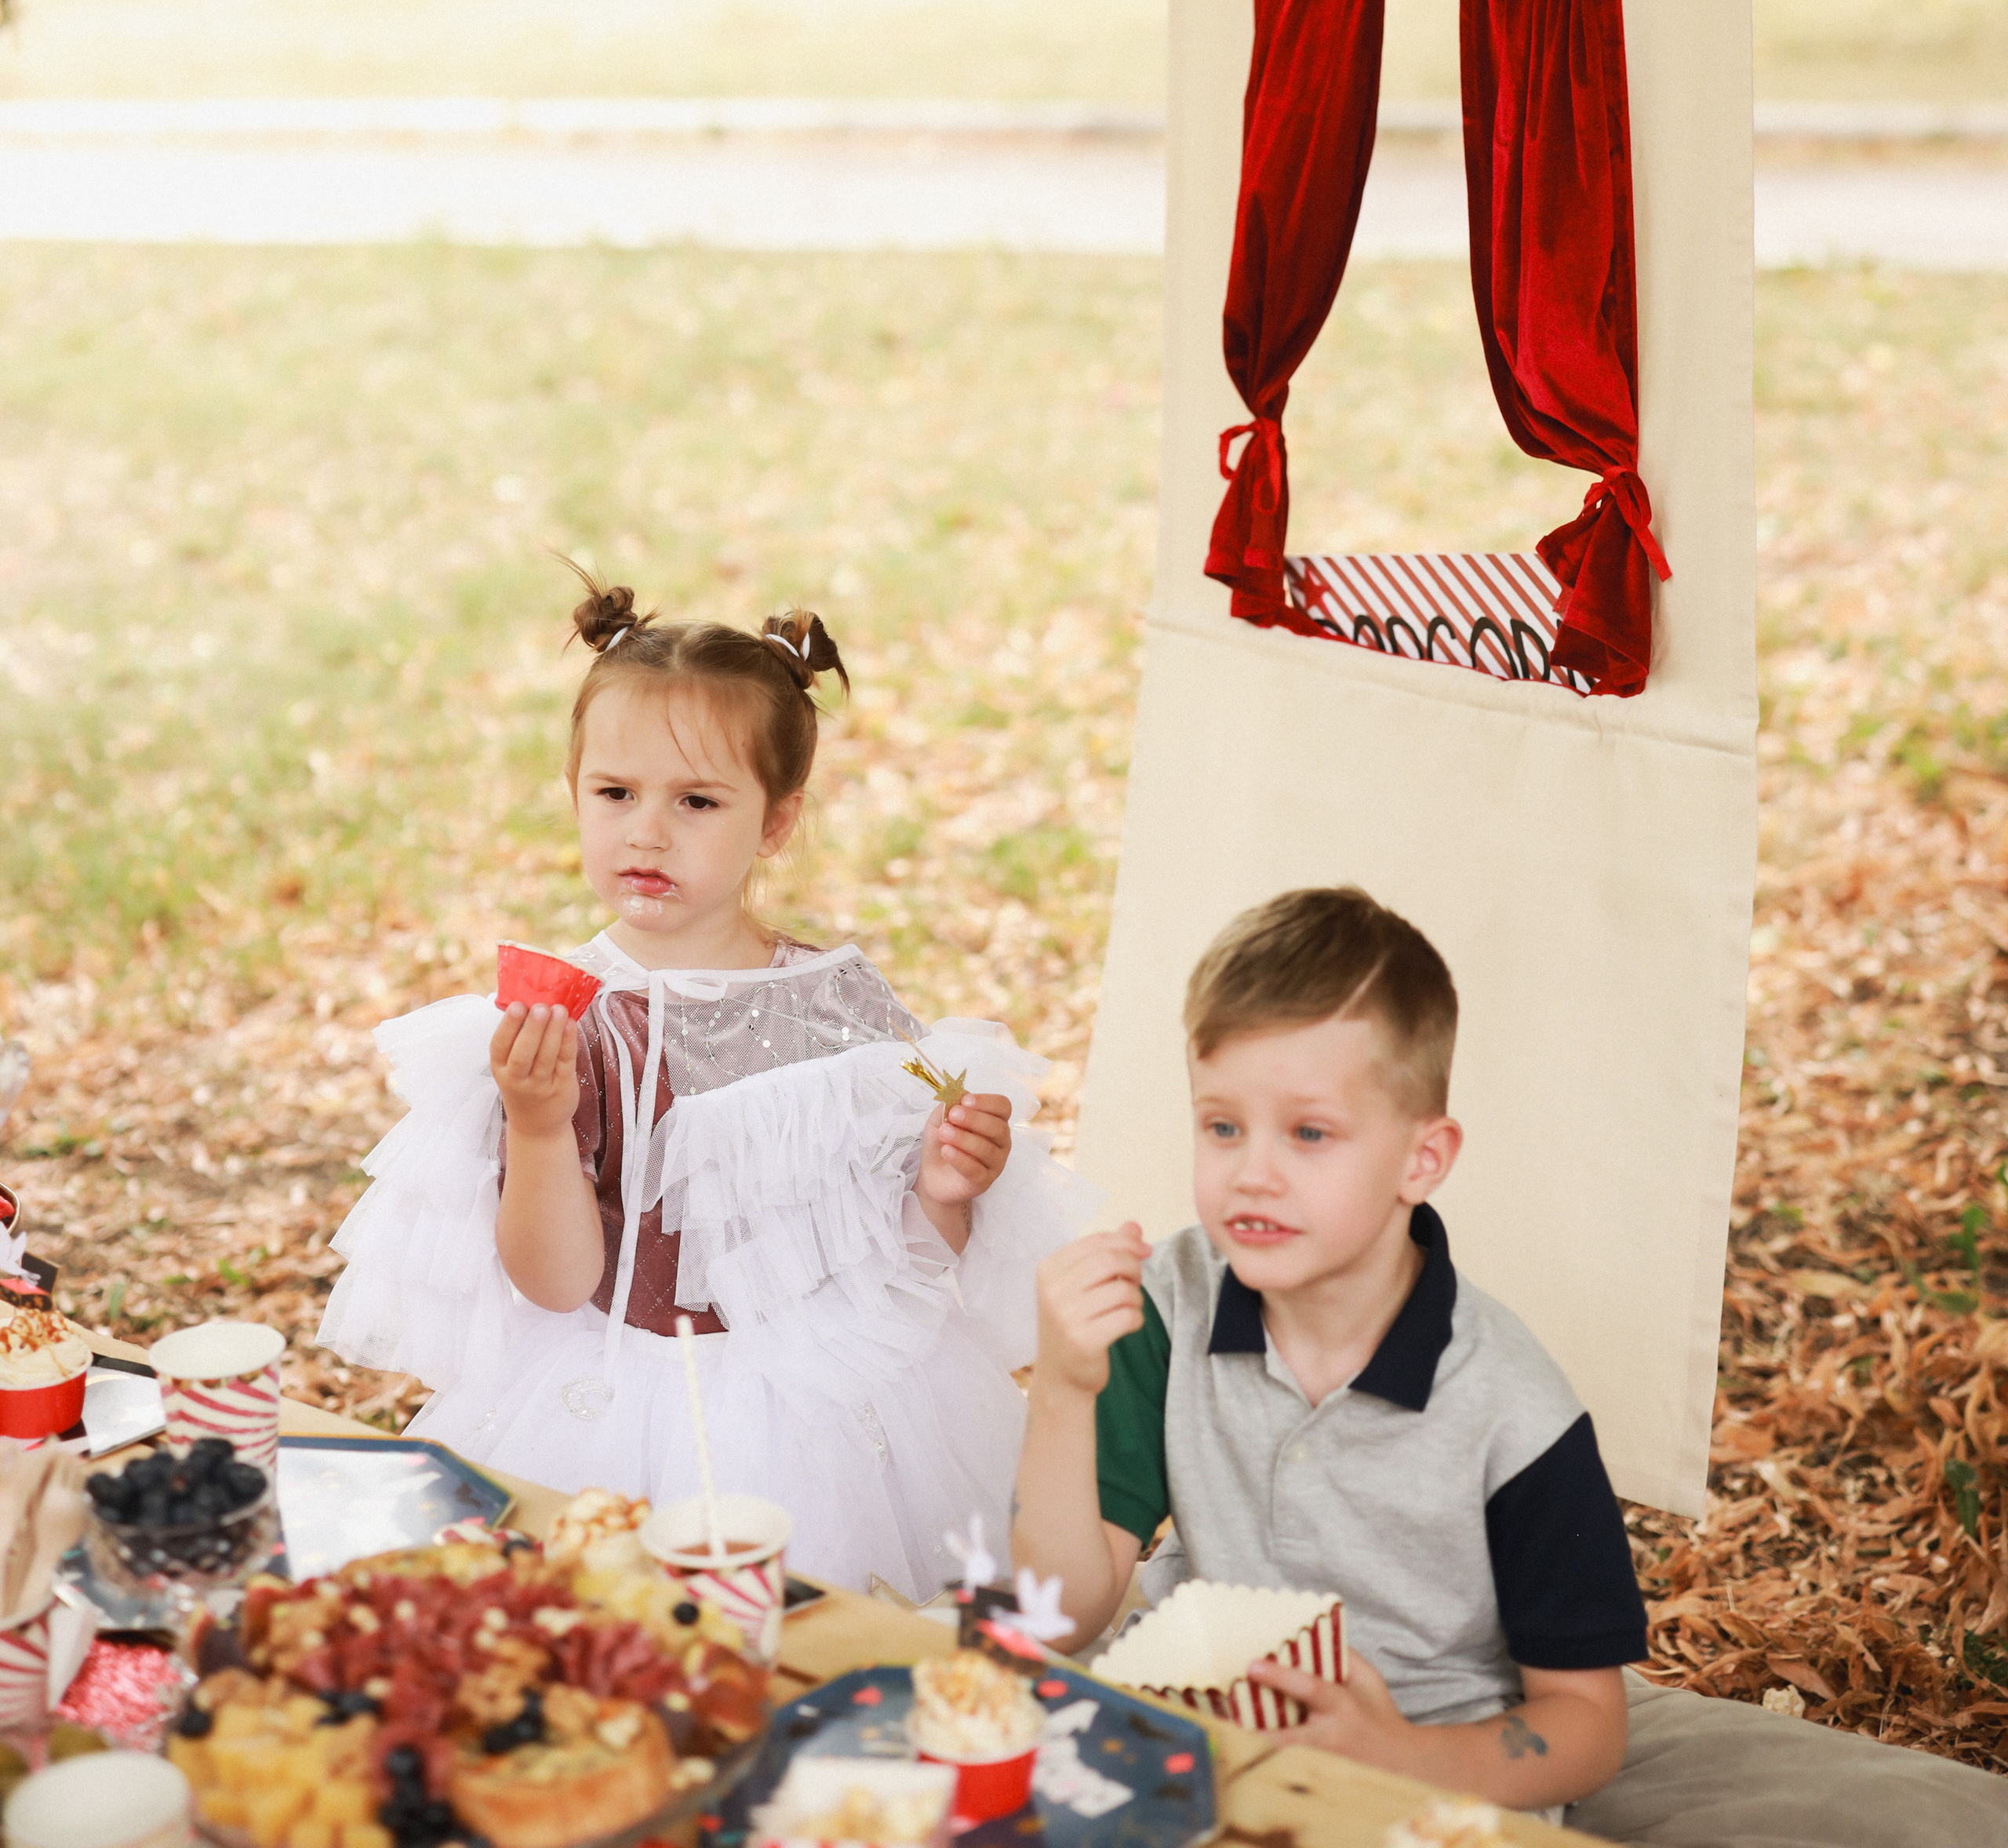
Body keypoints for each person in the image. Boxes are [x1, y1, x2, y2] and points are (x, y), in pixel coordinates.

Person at [1013, 886, 2005, 1843]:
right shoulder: (1170, 1306)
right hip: (1205, 1741)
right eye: (1221, 1125)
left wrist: (1404, 1757)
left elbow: (1583, 1723)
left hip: (1434, 1778)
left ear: (1422, 1159)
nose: (1252, 1171)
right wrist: (1063, 1387)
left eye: (1309, 1132)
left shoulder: (1510, 1409)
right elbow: (1059, 1614)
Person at [320, 576, 1093, 1599]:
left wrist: (943, 1191)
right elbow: (553, 1282)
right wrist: (542, 1130)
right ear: (576, 792)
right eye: (615, 795)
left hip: (826, 1406)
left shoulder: (845, 1005)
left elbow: (890, 1258)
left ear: (776, 822)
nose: (646, 833)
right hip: (616, 1393)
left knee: (817, 1629)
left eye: (695, 802)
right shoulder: (573, 1016)